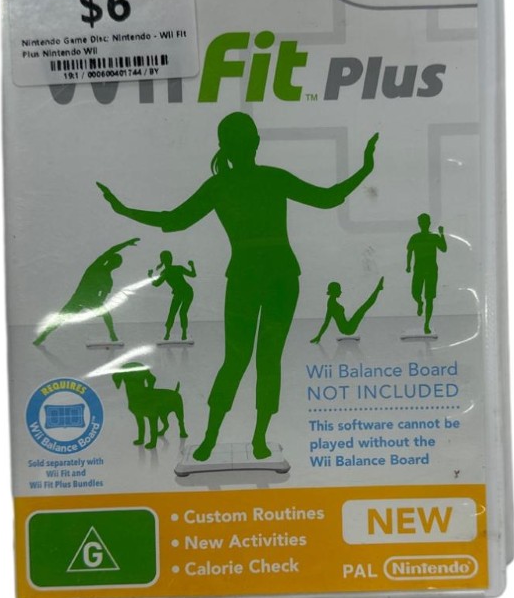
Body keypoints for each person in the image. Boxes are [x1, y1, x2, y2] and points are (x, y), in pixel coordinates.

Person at [97, 112, 378, 461]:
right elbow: (329, 197)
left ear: (224, 147)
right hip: (278, 275)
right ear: (255, 142)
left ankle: (216, 439)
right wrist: (366, 168)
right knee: (264, 359)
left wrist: (124, 210)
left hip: (251, 275)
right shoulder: (265, 179)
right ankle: (250, 439)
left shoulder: (223, 185)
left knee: (238, 359)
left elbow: (174, 220)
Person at [33, 238, 139, 345]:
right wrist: (125, 244)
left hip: (87, 299)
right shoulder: (98, 267)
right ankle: (43, 336)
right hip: (80, 298)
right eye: (115, 262)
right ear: (111, 262)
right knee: (61, 317)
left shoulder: (106, 277)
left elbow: (103, 296)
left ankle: (112, 335)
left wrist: (98, 307)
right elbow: (111, 251)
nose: (115, 265)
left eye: (117, 263)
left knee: (104, 315)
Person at [406, 214, 447, 334]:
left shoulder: (434, 237)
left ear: (429, 223)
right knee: (415, 293)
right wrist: (408, 265)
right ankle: (419, 302)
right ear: (419, 224)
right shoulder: (415, 237)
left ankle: (427, 324)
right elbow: (410, 251)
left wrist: (442, 234)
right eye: (421, 222)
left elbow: (444, 249)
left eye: (425, 222)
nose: (423, 224)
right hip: (418, 269)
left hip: (431, 270)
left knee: (429, 298)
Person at [310, 277, 384, 343]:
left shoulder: (331, 302)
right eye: (339, 290)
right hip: (348, 329)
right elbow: (326, 322)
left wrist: (319, 336)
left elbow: (327, 322)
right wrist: (319, 336)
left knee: (363, 308)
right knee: (363, 308)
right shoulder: (331, 304)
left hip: (347, 326)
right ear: (334, 291)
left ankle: (378, 289)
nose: (340, 292)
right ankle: (378, 289)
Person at [149, 251, 196, 341]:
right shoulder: (177, 268)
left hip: (186, 292)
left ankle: (172, 333)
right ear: (171, 259)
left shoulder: (165, 272)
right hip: (185, 292)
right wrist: (192, 265)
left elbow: (156, 284)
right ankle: (177, 333)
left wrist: (150, 276)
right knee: (180, 313)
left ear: (162, 260)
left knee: (175, 313)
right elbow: (193, 274)